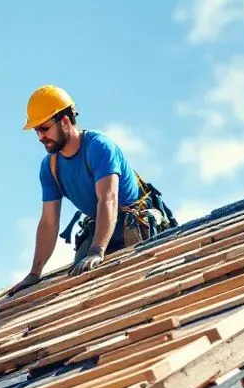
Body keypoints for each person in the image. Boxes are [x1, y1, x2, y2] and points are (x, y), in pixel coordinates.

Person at [9, 85, 175, 295]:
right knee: (81, 285)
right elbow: (49, 221)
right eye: (36, 131)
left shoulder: (99, 146)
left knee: (135, 284)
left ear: (65, 121)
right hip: (100, 225)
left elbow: (108, 199)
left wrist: (97, 251)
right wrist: (34, 273)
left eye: (44, 128)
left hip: (131, 223)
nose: (40, 137)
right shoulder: (49, 168)